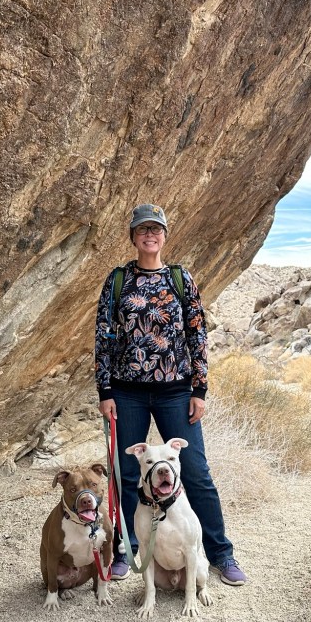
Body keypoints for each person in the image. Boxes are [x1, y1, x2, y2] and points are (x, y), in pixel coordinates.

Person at [94, 203, 247, 586]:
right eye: (143, 229)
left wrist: (200, 389)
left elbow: (197, 333)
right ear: (133, 236)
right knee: (128, 475)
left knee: (195, 472)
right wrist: (105, 390)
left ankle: (220, 554)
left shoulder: (180, 279)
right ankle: (129, 552)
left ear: (164, 235)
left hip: (175, 392)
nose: (150, 235)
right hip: (126, 394)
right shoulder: (117, 282)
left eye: (156, 229)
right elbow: (104, 338)